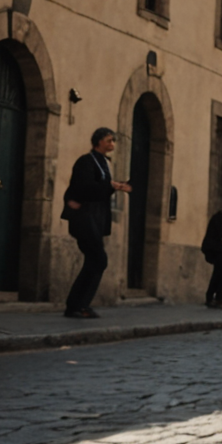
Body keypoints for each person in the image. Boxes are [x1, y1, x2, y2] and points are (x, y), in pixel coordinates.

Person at [59, 127, 130, 318]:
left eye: (113, 141)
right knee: (99, 259)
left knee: (94, 260)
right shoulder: (86, 161)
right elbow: (84, 187)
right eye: (108, 140)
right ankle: (78, 305)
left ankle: (77, 306)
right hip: (84, 217)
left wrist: (118, 186)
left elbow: (100, 189)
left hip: (96, 218)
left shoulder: (105, 163)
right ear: (98, 141)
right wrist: (111, 186)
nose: (112, 144)